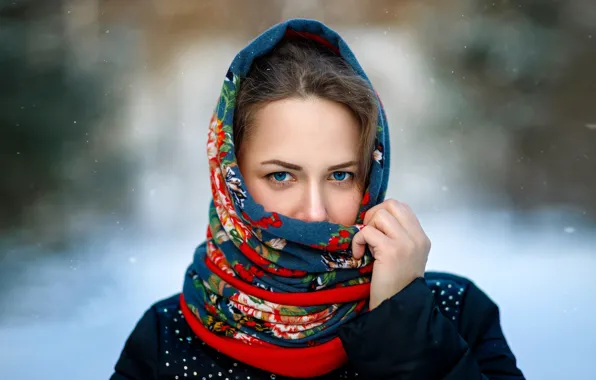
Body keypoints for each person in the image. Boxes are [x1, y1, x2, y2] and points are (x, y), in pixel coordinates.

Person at [110, 19, 525, 380]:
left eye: (340, 175)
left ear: (371, 178)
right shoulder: (165, 340)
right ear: (229, 178)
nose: (314, 211)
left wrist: (402, 321)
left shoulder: (454, 314)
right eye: (281, 176)